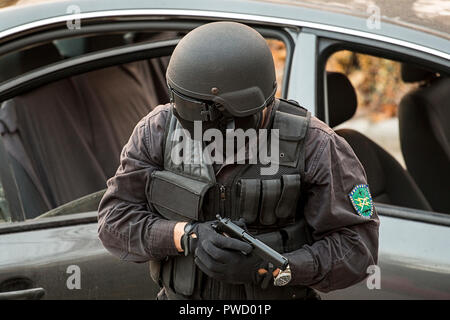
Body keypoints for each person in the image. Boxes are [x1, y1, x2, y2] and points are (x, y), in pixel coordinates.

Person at [98, 21, 379, 300]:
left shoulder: (316, 144)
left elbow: (358, 250)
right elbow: (114, 221)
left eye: (198, 112)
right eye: (182, 104)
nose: (187, 122)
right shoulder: (157, 131)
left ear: (235, 111)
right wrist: (187, 236)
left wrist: (270, 269)